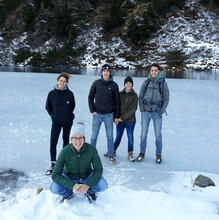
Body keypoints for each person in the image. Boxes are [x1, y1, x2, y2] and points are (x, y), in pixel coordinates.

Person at [50, 122, 108, 203]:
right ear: (71, 139)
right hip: (70, 177)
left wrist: (88, 185)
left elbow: (99, 170)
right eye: (75, 138)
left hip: (86, 176)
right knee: (54, 187)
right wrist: (72, 185)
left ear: (84, 139)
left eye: (80, 137)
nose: (78, 141)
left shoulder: (91, 149)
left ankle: (90, 192)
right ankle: (68, 194)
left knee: (103, 185)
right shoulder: (65, 151)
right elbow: (55, 175)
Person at [88, 64, 120, 164]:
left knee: (110, 136)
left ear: (110, 73)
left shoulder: (114, 85)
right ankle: (91, 155)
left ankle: (111, 155)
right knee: (93, 136)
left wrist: (116, 116)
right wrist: (92, 110)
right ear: (101, 72)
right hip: (97, 115)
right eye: (104, 71)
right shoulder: (96, 83)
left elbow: (117, 102)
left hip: (108, 115)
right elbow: (90, 97)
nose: (106, 73)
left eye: (107, 71)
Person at [137, 63, 169, 163]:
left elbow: (166, 98)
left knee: (158, 135)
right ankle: (142, 152)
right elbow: (141, 96)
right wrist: (142, 109)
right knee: (143, 134)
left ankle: (158, 155)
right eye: (152, 70)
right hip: (146, 111)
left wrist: (162, 110)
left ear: (158, 71)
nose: (154, 72)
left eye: (155, 70)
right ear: (150, 71)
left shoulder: (163, 82)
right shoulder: (146, 82)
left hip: (157, 112)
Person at [45, 72, 75, 175]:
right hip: (56, 122)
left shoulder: (70, 94)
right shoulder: (52, 94)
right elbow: (48, 107)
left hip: (67, 122)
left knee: (66, 142)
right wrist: (54, 116)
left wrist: (68, 115)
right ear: (58, 81)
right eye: (60, 81)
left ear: (66, 83)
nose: (62, 83)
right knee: (53, 142)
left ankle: (65, 163)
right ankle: (53, 164)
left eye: (64, 81)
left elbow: (72, 106)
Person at [113, 76, 138, 162]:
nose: (128, 85)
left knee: (130, 137)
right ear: (124, 84)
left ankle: (130, 153)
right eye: (127, 83)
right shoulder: (120, 94)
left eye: (130, 83)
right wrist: (116, 118)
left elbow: (133, 109)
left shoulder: (134, 96)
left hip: (130, 121)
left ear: (132, 85)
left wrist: (122, 118)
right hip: (120, 120)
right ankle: (113, 150)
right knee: (118, 136)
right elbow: (116, 106)